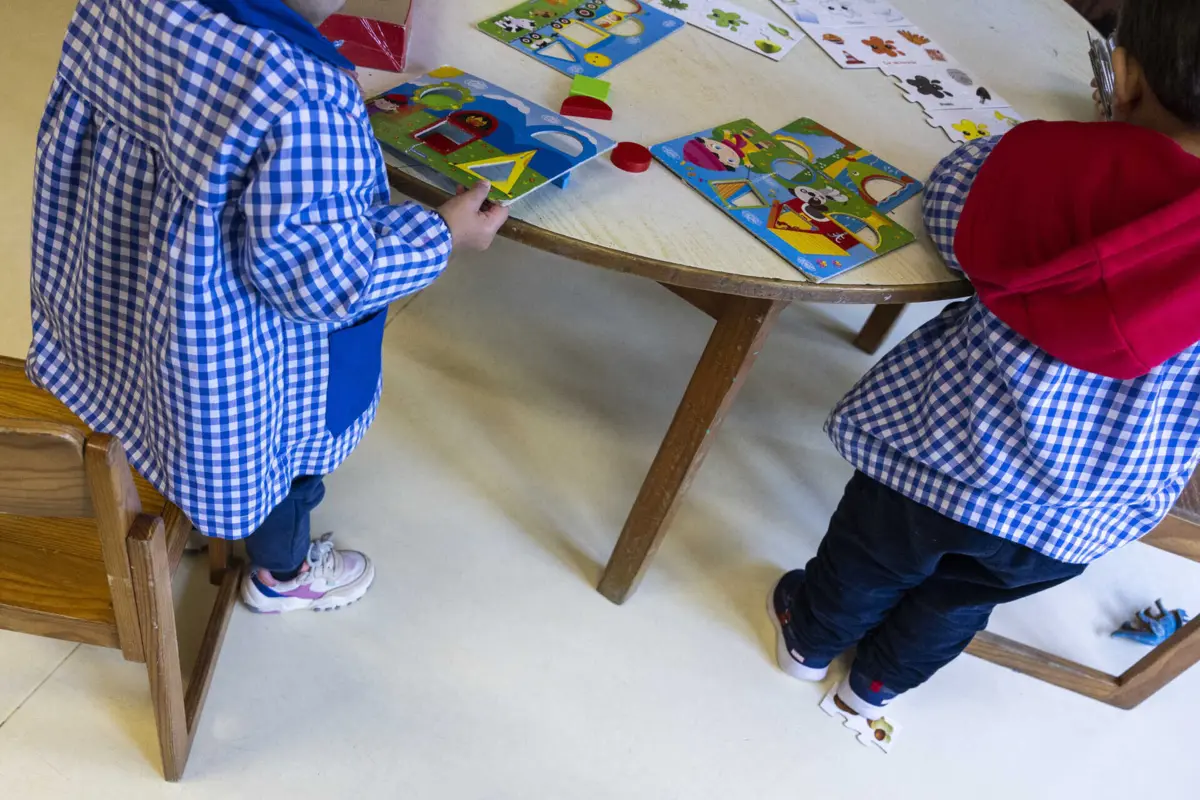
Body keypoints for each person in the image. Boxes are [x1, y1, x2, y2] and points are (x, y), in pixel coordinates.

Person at [769, 0, 1200, 722]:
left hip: (942, 461)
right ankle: (870, 692)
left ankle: (806, 645)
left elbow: (950, 212)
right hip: (1077, 520)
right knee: (959, 603)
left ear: (1120, 78)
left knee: (863, 565)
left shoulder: (1056, 162)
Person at [27, 0, 509, 613]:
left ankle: (194, 496)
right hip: (231, 347)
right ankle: (283, 574)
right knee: (280, 466)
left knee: (160, 410)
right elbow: (321, 281)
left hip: (129, 289)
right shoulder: (302, 92)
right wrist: (442, 235)